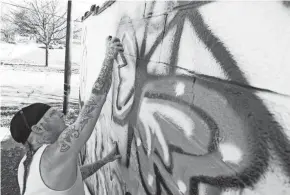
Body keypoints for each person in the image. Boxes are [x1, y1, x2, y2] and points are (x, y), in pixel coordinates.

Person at [10, 36, 124, 195]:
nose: (62, 115)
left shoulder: (26, 164)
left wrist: (104, 161)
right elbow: (95, 102)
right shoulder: (54, 154)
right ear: (38, 127)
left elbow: (73, 177)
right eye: (53, 114)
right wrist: (109, 57)